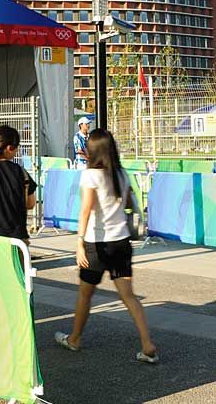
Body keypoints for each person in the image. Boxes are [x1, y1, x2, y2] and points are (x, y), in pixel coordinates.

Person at [54, 128, 158, 364]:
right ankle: (147, 343)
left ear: (92, 150)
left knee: (85, 293)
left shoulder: (91, 175)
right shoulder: (120, 174)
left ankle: (75, 338)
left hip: (96, 244)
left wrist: (79, 242)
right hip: (121, 241)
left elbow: (86, 209)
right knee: (129, 296)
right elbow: (130, 202)